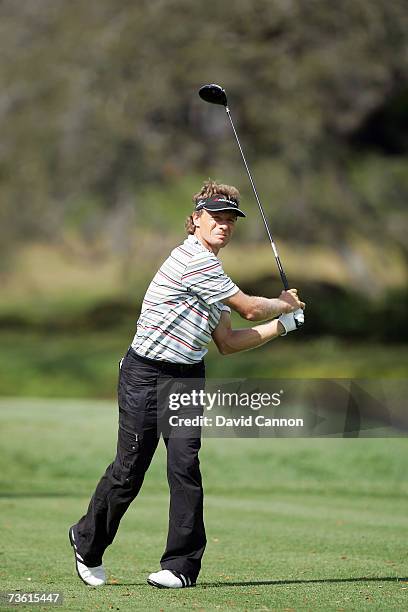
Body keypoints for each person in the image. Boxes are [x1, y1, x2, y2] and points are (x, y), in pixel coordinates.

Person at [69, 179, 305, 589]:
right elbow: (249, 309)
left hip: (186, 376)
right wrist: (284, 303)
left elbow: (228, 343)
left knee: (184, 465)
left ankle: (180, 567)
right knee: (130, 469)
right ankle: (86, 540)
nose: (224, 225)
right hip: (144, 372)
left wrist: (282, 326)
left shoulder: (214, 274)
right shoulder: (193, 260)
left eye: (231, 219)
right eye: (216, 217)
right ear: (195, 220)